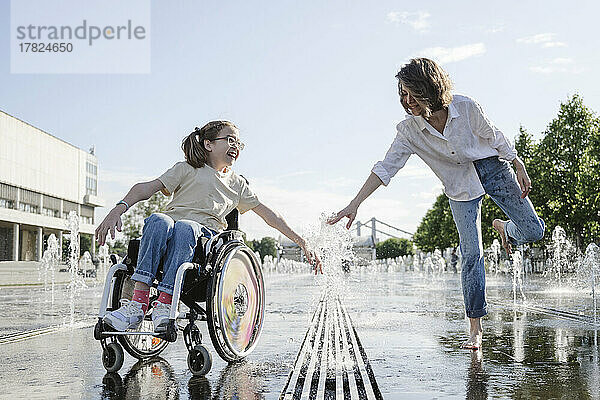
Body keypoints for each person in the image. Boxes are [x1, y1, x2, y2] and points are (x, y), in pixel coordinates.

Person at [328, 58, 544, 350]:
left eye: (411, 93)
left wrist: (518, 163)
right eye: (402, 95)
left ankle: (505, 227)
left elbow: (494, 136)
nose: (407, 101)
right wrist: (354, 204)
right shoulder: (408, 131)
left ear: (429, 87)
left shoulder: (466, 107)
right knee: (472, 254)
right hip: (459, 187)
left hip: (492, 168)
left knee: (534, 231)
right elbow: (385, 168)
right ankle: (476, 329)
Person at [96, 120, 322, 332]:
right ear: (208, 144)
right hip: (167, 231)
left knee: (186, 227)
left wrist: (302, 242)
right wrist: (118, 209)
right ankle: (138, 303)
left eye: (239, 143)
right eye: (230, 140)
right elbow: (146, 188)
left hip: (203, 240)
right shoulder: (186, 169)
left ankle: (165, 303)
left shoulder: (237, 184)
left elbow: (271, 216)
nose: (236, 146)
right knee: (158, 219)